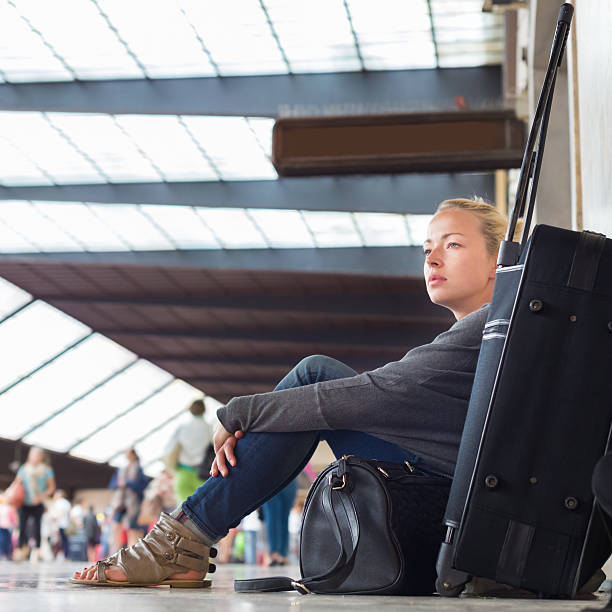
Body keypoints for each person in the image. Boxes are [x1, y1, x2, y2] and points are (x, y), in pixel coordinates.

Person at [71, 197, 506, 587]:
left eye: (452, 244)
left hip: (458, 506)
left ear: (497, 261)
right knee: (316, 380)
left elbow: (377, 392)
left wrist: (239, 413)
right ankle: (186, 538)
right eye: (426, 247)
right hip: (461, 491)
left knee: (315, 378)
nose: (431, 257)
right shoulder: (494, 331)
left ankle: (183, 539)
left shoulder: (488, 326)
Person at [10, 446, 55, 562]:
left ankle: (36, 551)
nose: (35, 457)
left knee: (37, 527)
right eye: (33, 454)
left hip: (38, 503)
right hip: (24, 503)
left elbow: (51, 488)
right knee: (22, 527)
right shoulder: (24, 469)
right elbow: (16, 482)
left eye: (37, 455)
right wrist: (8, 494)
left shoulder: (46, 470)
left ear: (41, 457)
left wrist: (40, 497)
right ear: (30, 456)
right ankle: (21, 551)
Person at [163, 399, 213, 503]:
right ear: (204, 410)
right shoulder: (209, 428)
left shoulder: (183, 427)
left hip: (182, 472)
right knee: (202, 507)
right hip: (202, 474)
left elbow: (169, 447)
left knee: (183, 509)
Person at [108, 449, 148, 553]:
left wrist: (127, 484)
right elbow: (112, 485)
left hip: (133, 504)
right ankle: (114, 553)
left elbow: (142, 487)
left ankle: (132, 554)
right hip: (120, 503)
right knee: (116, 528)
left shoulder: (138, 469)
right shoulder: (121, 470)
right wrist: (120, 484)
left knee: (133, 530)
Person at [263, 480, 297, 566]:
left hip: (272, 478)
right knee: (283, 518)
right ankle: (281, 554)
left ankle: (275, 553)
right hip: (289, 477)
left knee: (273, 516)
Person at [50, 490, 71, 560]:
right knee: (65, 540)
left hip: (59, 524)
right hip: (66, 524)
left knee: (59, 541)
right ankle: (66, 555)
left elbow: (58, 514)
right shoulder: (67, 502)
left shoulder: (58, 502)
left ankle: (57, 555)